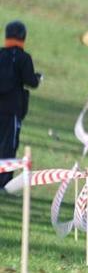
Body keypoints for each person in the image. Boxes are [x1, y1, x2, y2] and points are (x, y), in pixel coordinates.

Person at [0, 21, 41, 189]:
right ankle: (4, 183)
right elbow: (31, 81)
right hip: (12, 111)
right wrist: (38, 77)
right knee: (8, 147)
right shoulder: (24, 58)